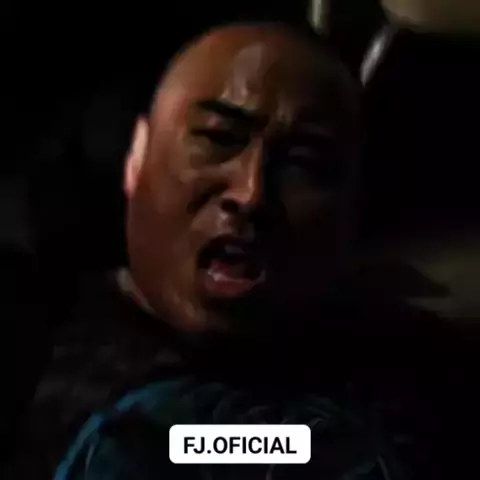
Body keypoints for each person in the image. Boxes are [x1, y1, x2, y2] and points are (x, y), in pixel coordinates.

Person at [13, 21, 468, 480]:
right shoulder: (29, 331)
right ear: (138, 154)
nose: (251, 194)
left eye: (304, 163)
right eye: (217, 137)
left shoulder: (421, 372)